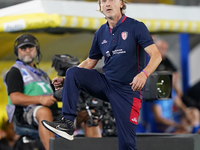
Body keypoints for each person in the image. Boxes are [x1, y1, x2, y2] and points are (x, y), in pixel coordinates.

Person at [42, 0, 162, 149]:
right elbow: (90, 62)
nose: (107, 3)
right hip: (106, 84)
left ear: (121, 3)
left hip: (128, 91)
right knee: (73, 72)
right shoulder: (100, 32)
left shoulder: (136, 27)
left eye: (112, 0)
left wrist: (144, 74)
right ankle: (67, 124)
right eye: (103, 1)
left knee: (127, 144)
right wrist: (67, 79)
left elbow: (156, 56)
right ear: (100, 6)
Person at [4, 34, 58, 150]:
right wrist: (40, 99)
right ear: (17, 51)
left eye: (30, 47)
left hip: (51, 111)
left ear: (36, 50)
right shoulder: (15, 71)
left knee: (86, 113)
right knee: (44, 111)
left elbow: (52, 94)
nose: (27, 51)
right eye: (23, 48)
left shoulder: (42, 74)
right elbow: (14, 98)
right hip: (25, 113)